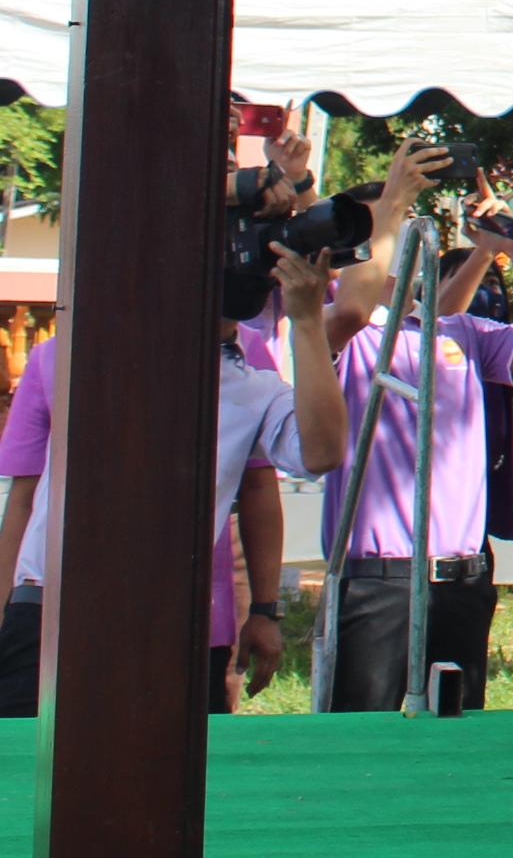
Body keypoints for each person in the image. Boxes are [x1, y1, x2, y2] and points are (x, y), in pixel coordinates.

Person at [0, 245, 350, 715]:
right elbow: (23, 499)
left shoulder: (253, 385)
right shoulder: (80, 350)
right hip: (51, 601)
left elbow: (322, 453)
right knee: (23, 754)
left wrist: (307, 324)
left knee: (159, 760)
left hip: (165, 615)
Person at [317, 169, 513, 713]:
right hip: (377, 583)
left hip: (461, 580)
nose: (406, 245)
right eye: (390, 229)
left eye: (408, 227)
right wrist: (393, 196)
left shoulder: (459, 331)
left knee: (452, 744)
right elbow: (353, 309)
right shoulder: (336, 326)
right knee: (362, 746)